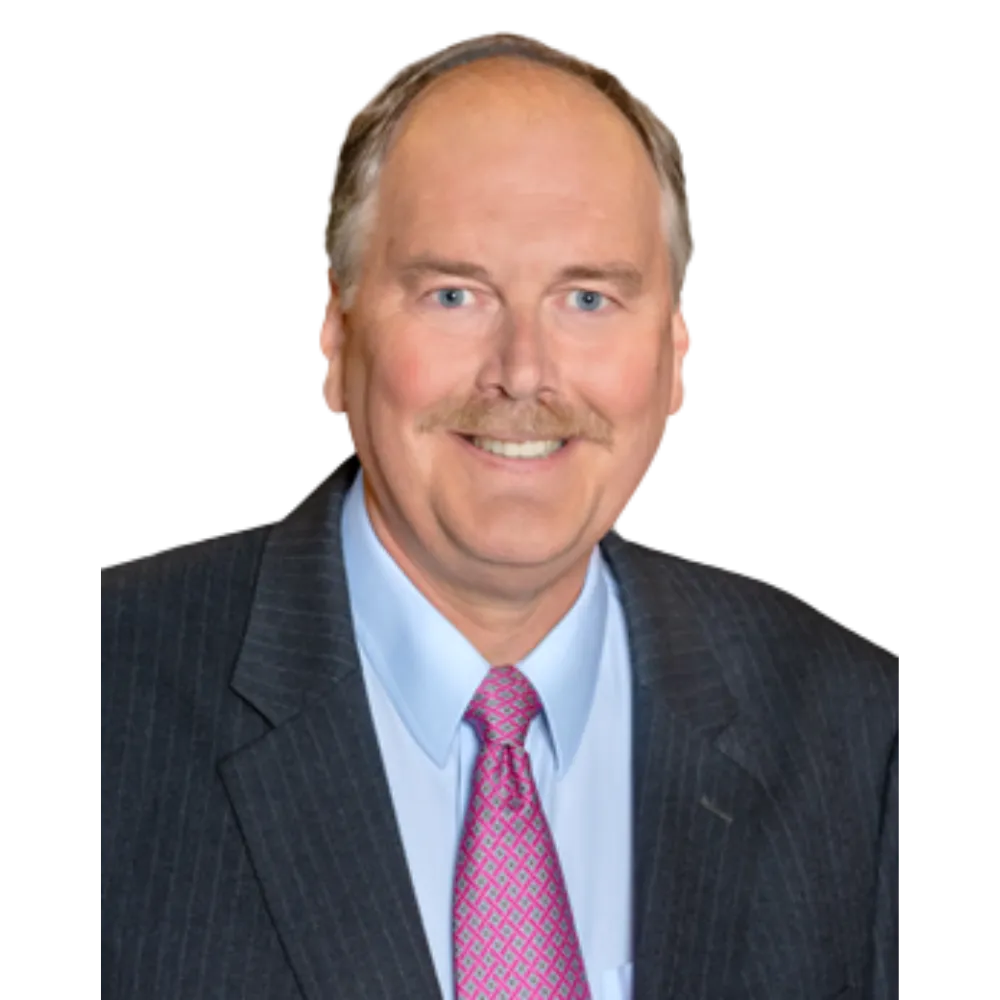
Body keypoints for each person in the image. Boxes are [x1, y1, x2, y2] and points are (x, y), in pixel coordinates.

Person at [97, 29, 902, 1000]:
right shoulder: (115, 696)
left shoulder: (853, 733)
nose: (522, 371)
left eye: (589, 298)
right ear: (335, 335)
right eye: (453, 293)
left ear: (677, 355)